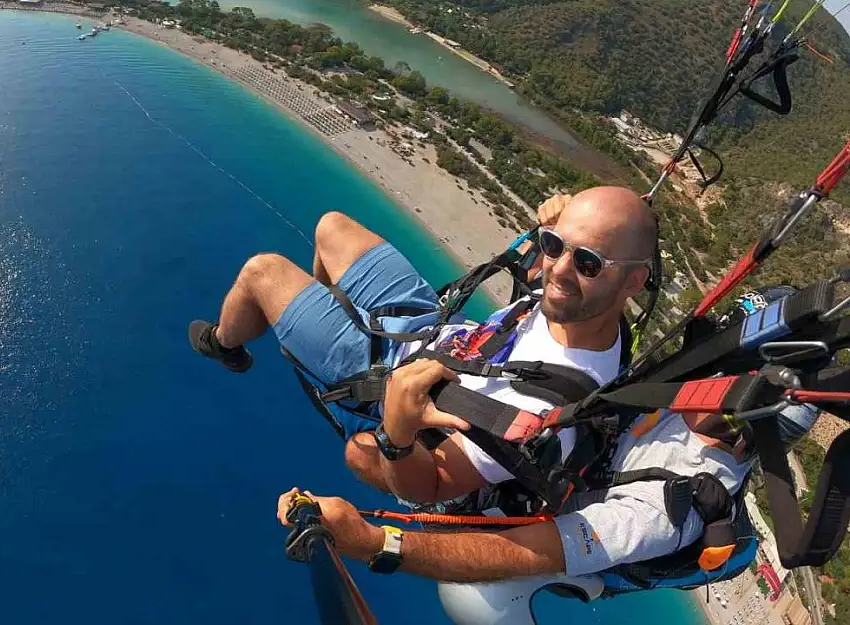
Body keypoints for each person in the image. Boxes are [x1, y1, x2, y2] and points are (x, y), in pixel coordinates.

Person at [272, 284, 823, 625]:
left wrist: (375, 543)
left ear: (746, 412)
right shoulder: (682, 397)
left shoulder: (669, 508)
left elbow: (526, 555)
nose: (707, 365)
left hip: (558, 539)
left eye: (725, 365)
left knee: (475, 602)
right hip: (552, 484)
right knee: (363, 453)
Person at [190, 186, 655, 504]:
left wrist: (396, 432)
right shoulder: (589, 312)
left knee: (261, 272)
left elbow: (432, 484)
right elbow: (562, 272)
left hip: (390, 378)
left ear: (634, 281)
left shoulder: (541, 411)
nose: (559, 268)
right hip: (429, 327)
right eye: (554, 245)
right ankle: (324, 315)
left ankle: (224, 344)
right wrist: (562, 231)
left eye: (588, 263)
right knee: (332, 226)